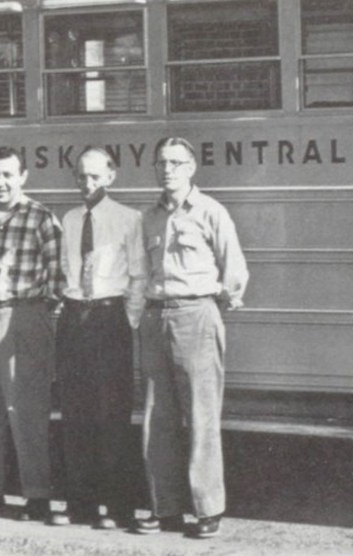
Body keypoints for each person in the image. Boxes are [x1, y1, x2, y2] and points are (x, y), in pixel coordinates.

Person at [134, 137, 249, 539]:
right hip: (156, 317)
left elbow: (234, 269)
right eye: (161, 162)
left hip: (196, 315)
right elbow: (142, 272)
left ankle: (207, 510)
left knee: (201, 418)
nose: (168, 169)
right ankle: (163, 508)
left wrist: (216, 303)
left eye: (176, 163)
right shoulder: (148, 218)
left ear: (192, 167)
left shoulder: (211, 212)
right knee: (157, 419)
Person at [0, 146, 68, 524]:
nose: (0, 182)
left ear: (23, 177)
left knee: (27, 410)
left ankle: (36, 495)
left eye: (8, 175)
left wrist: (32, 315)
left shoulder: (41, 218)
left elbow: (57, 278)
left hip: (24, 316)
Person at [55, 147, 146, 529]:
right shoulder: (71, 218)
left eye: (94, 176)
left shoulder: (129, 219)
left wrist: (127, 322)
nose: (87, 183)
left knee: (111, 415)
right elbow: (65, 269)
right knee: (75, 414)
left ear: (111, 176)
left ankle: (118, 506)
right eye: (81, 176)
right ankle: (80, 504)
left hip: (110, 320)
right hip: (76, 318)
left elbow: (139, 276)